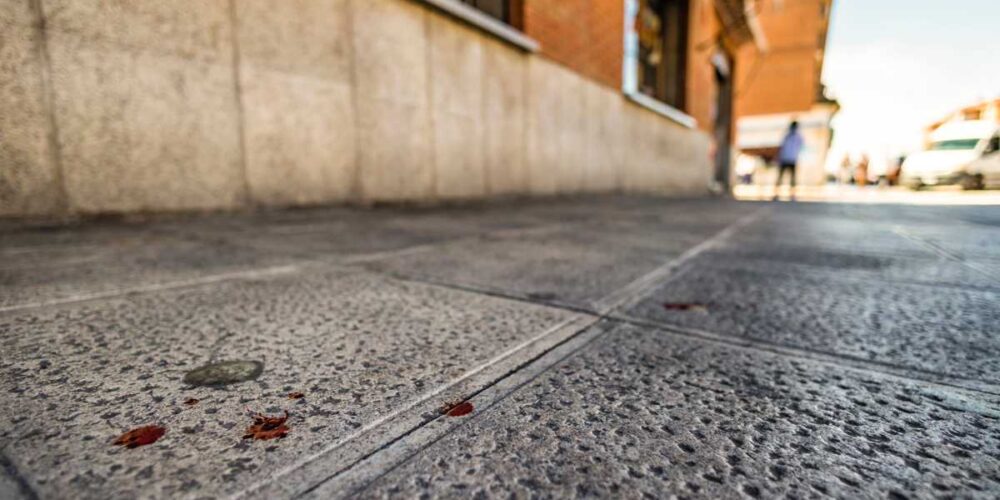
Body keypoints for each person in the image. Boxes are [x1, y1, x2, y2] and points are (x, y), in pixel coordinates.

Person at [774, 120, 804, 200]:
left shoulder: (797, 137)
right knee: (781, 177)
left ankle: (792, 195)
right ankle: (777, 194)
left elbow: (800, 147)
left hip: (791, 159)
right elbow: (782, 147)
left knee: (792, 178)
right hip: (785, 159)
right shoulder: (788, 136)